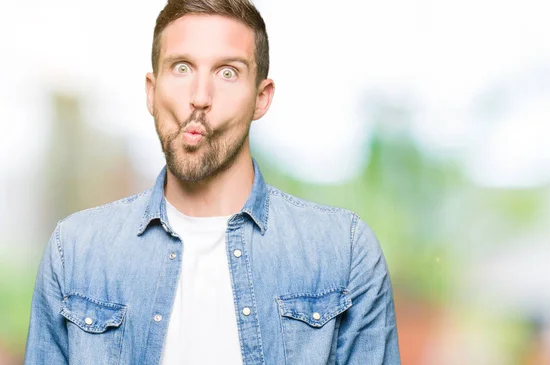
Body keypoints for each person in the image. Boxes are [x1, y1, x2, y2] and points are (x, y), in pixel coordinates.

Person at [24, 0, 401, 364]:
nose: (200, 98)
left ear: (261, 98)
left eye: (228, 72)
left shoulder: (343, 253)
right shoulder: (73, 253)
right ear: (152, 93)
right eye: (182, 68)